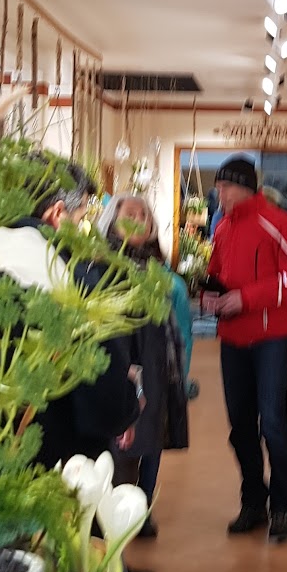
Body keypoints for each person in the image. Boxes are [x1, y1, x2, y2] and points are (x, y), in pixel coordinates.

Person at [0, 157, 141, 470]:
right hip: (49, 464)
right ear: (57, 214)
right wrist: (130, 400)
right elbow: (104, 407)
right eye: (81, 217)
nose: (83, 229)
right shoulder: (66, 275)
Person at [203, 156, 287, 542]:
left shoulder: (279, 222)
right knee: (240, 425)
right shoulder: (223, 226)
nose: (220, 194)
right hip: (233, 338)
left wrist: (245, 298)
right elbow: (216, 272)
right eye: (218, 187)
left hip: (272, 338)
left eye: (225, 187)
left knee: (273, 422)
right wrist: (210, 294)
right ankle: (253, 501)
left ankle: (284, 507)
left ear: (245, 187)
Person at [96, 194, 190, 540]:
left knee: (151, 442)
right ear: (112, 220)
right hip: (127, 373)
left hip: (155, 371)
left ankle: (141, 511)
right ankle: (120, 523)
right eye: (130, 213)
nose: (138, 219)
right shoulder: (104, 265)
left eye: (144, 214)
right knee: (123, 451)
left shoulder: (155, 267)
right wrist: (129, 383)